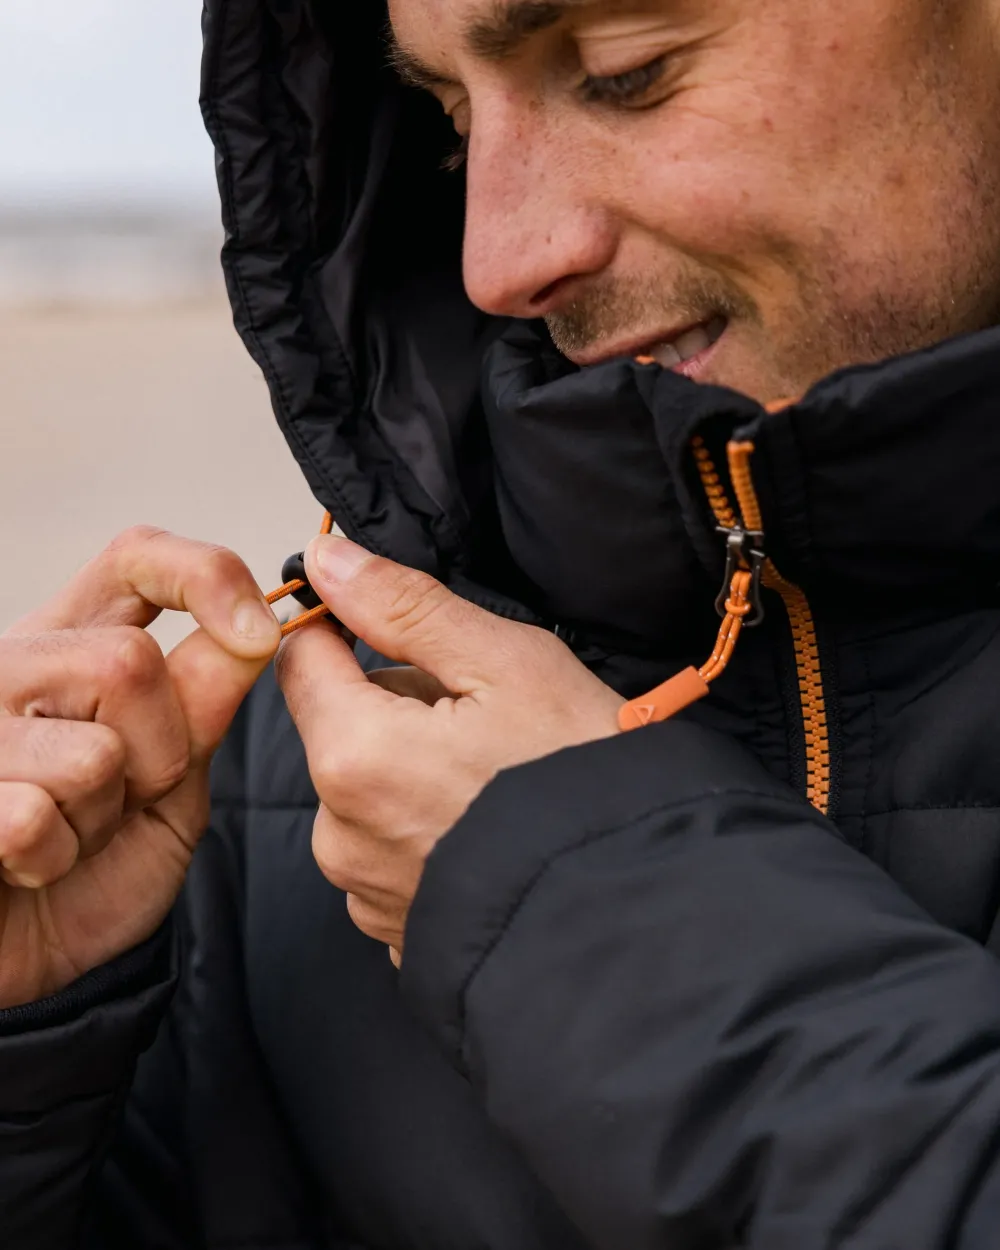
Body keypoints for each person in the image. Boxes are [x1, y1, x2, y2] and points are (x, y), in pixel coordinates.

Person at [4, 0, 1000, 1245]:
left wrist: (584, 909)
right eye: (449, 124)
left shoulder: (441, 818)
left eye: (625, 73)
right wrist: (28, 1045)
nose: (500, 262)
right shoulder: (335, 769)